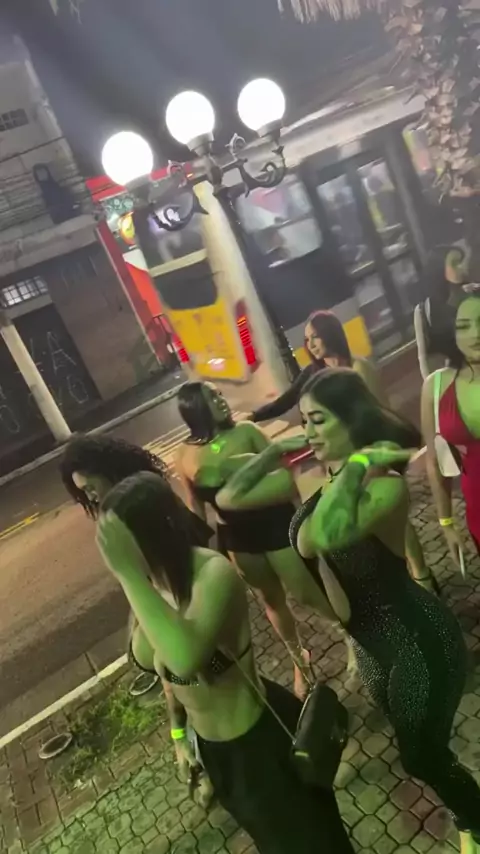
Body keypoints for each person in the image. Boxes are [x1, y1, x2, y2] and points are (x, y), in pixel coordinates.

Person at [220, 368, 480, 854]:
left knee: (420, 756)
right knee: (424, 750)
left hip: (418, 640)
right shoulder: (319, 478)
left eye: (319, 420)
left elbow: (324, 534)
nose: (309, 432)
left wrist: (358, 461)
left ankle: (476, 819)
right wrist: (274, 453)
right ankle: (466, 806)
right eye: (305, 421)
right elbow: (230, 498)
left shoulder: (383, 487)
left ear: (351, 419)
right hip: (371, 646)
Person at [95, 471, 355, 854]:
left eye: (118, 544)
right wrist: (180, 738)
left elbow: (184, 659)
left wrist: (127, 575)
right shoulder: (151, 589)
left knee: (314, 844)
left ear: (150, 533)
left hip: (259, 745)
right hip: (217, 753)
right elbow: (170, 678)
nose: (110, 556)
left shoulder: (212, 574)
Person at [175, 381, 336, 700]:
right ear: (195, 409)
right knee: (271, 600)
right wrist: (198, 552)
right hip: (237, 537)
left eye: (219, 394)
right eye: (212, 398)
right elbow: (195, 505)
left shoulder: (246, 431)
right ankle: (299, 659)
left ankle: (353, 634)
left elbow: (285, 472)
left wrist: (305, 515)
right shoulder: (184, 454)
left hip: (275, 523)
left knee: (306, 592)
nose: (221, 400)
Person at [421, 290, 480, 560]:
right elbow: (435, 462)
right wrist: (446, 523)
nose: (476, 333)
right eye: (463, 326)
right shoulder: (435, 386)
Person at [414, 245, 468, 380]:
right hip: (454, 379)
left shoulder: (473, 294)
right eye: (454, 263)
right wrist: (432, 385)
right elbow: (424, 357)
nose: (461, 267)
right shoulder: (424, 310)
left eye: (461, 262)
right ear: (439, 268)